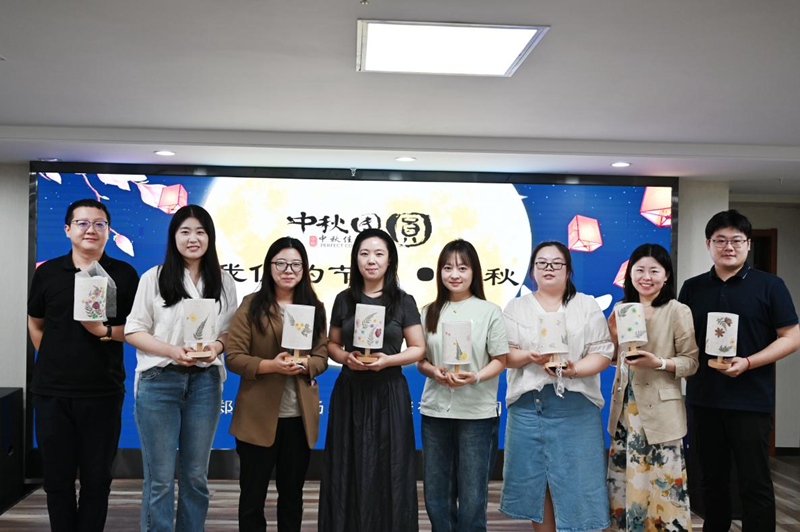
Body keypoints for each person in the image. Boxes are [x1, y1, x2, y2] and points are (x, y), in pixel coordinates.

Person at [678, 209, 800, 531]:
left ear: (748, 244)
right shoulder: (692, 288)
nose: (728, 247)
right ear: (708, 244)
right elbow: (683, 339)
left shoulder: (770, 286)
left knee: (754, 481)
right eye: (720, 240)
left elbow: (792, 337)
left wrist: (748, 362)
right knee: (710, 480)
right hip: (704, 399)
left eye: (736, 240)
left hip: (751, 400)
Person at [27, 198, 139, 532]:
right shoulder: (48, 273)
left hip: (103, 392)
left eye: (99, 224)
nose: (91, 229)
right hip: (52, 393)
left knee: (97, 480)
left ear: (108, 231)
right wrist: (54, 357)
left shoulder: (124, 274)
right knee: (57, 481)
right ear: (67, 229)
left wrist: (103, 332)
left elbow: (138, 330)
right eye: (82, 223)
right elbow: (35, 322)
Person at [124, 205, 237, 531]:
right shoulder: (154, 277)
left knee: (195, 476)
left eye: (200, 232)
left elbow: (228, 332)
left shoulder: (224, 282)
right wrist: (173, 350)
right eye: (185, 231)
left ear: (210, 237)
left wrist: (216, 348)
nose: (193, 238)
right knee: (159, 479)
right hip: (159, 381)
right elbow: (133, 331)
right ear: (174, 237)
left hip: (205, 383)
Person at [500, 240, 612, 532]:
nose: (548, 268)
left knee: (581, 484)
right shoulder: (516, 307)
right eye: (542, 263)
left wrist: (574, 369)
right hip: (529, 408)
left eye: (556, 263)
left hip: (576, 408)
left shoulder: (585, 305)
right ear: (532, 270)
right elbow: (504, 355)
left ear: (568, 269)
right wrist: (530, 356)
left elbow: (602, 352)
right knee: (537, 484)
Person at [318, 228, 426, 532]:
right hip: (351, 390)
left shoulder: (403, 301)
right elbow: (331, 345)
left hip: (388, 391)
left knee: (390, 465)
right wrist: (345, 357)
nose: (371, 260)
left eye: (379, 254)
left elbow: (418, 348)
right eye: (364, 253)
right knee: (347, 463)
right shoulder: (343, 299)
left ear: (390, 260)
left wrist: (388, 360)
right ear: (356, 259)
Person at [226, 237, 328, 531]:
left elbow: (322, 356)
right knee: (252, 498)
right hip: (257, 417)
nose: (288, 270)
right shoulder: (251, 305)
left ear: (304, 269)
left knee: (292, 497)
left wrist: (306, 364)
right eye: (281, 263)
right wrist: (273, 365)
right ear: (269, 267)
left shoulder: (314, 307)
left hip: (299, 418)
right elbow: (234, 357)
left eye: (296, 264)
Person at [605, 244, 699, 531]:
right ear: (630, 274)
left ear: (666, 275)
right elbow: (615, 361)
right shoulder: (622, 309)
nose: (646, 277)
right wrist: (612, 336)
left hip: (661, 413)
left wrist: (658, 362)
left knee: (662, 486)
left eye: (654, 271)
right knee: (626, 484)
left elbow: (691, 362)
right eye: (640, 270)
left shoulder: (677, 310)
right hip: (625, 412)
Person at [417, 239, 508, 532]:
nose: (454, 274)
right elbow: (421, 361)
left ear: (474, 272)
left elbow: (501, 360)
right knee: (437, 495)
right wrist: (434, 371)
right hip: (435, 412)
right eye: (447, 268)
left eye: (462, 268)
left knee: (472, 497)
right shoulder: (428, 311)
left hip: (477, 414)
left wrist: (476, 376)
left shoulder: (490, 311)